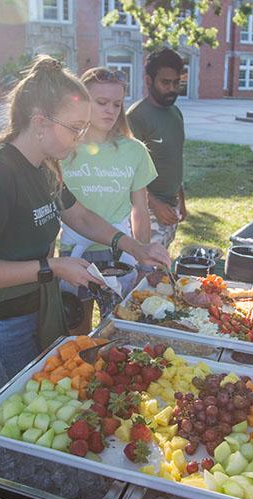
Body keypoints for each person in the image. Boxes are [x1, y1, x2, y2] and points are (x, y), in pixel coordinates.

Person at [0, 56, 170, 403]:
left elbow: (81, 217)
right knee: (15, 420)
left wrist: (137, 248)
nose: (80, 139)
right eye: (75, 127)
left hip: (33, 311)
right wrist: (53, 267)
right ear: (40, 122)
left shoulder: (45, 167)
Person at [59, 67, 158, 334]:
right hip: (74, 252)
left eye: (117, 104)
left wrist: (143, 258)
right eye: (101, 102)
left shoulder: (134, 150)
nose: (110, 110)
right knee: (76, 328)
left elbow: (140, 209)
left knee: (119, 328)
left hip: (119, 252)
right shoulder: (63, 149)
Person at [127, 48, 188, 248]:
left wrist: (181, 200)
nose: (172, 89)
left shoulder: (176, 113)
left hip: (171, 207)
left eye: (176, 82)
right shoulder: (136, 117)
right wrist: (155, 204)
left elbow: (174, 158)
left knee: (162, 267)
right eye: (165, 82)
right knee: (147, 270)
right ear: (148, 80)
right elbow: (128, 172)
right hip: (148, 210)